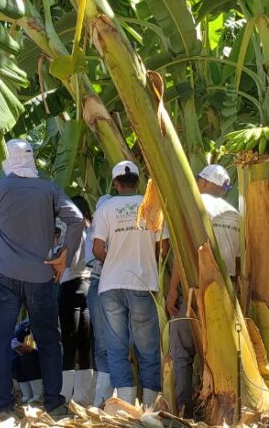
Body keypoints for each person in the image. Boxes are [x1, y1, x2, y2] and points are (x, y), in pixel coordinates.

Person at [0, 139, 84, 415]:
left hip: (4, 276)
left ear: (9, 159)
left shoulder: (0, 187)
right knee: (48, 340)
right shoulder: (49, 188)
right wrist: (64, 258)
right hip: (41, 275)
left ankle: (5, 406)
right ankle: (55, 404)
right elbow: (78, 218)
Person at [165, 164, 240, 416]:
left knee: (182, 351)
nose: (196, 184)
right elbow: (239, 264)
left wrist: (173, 289)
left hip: (196, 289)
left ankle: (184, 409)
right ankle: (224, 409)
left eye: (199, 180)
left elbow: (182, 254)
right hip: (226, 293)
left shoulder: (196, 208)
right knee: (221, 353)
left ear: (206, 183)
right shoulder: (235, 214)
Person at [94, 160, 168, 407]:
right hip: (143, 282)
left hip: (111, 285)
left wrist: (114, 258)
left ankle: (125, 405)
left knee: (116, 348)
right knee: (147, 348)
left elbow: (96, 249)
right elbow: (164, 247)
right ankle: (150, 407)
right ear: (138, 181)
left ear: (116, 183)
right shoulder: (150, 205)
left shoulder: (105, 208)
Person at [59, 196, 93, 406]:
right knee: (85, 343)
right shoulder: (91, 228)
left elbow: (67, 259)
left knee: (69, 343)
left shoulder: (70, 228)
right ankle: (85, 396)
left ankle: (65, 394)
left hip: (70, 284)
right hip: (89, 285)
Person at [83, 195, 113, 407]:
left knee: (115, 345)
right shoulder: (93, 232)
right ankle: (102, 399)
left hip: (116, 286)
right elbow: (92, 256)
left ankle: (120, 396)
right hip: (98, 284)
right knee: (102, 344)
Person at [11, 319, 42, 404]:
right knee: (16, 360)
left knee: (27, 358)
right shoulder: (28, 323)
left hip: (51, 357)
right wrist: (19, 346)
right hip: (36, 353)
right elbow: (14, 337)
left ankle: (38, 395)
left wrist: (32, 350)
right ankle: (27, 395)